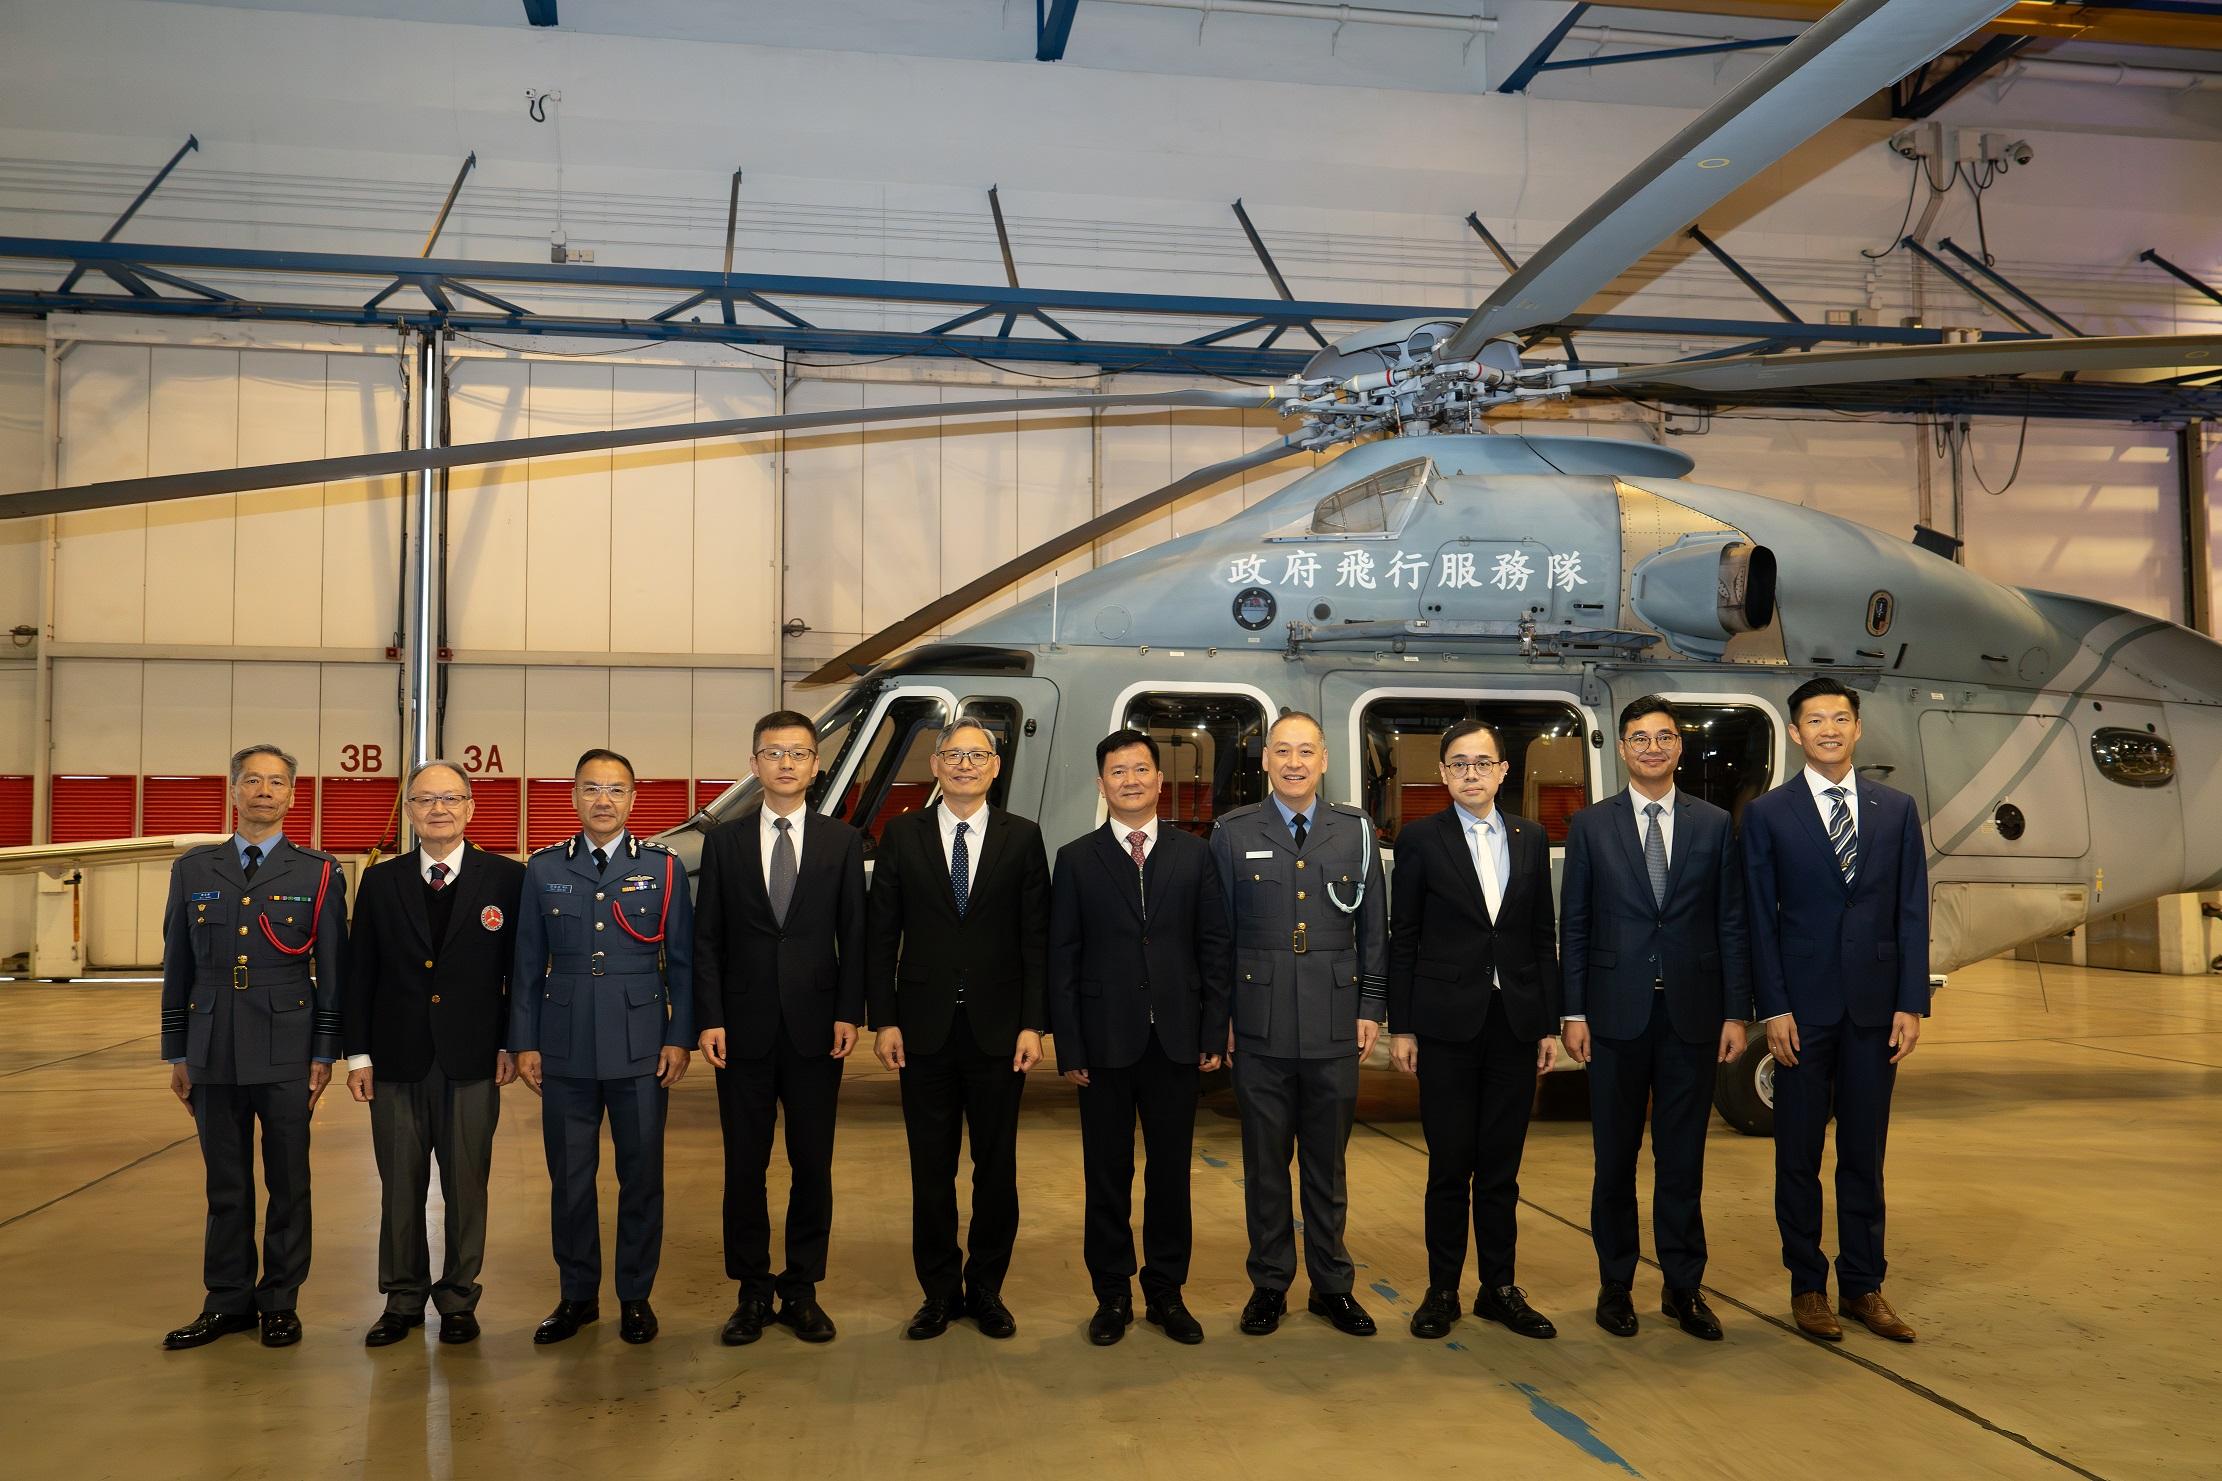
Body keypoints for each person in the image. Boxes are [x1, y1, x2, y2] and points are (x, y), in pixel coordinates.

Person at [1742, 677, 1930, 1343]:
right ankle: (1806, 1284)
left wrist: (1912, 1001)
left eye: (1840, 718)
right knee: (1797, 1152)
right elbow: (1759, 919)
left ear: (1856, 727)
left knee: (1863, 1152)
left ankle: (1863, 1285)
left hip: (1877, 1011)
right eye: (1815, 719)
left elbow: (1911, 911)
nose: (1828, 728)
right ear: (1795, 732)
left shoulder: (1896, 809)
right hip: (1803, 1011)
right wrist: (1776, 1007)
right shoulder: (1768, 814)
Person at [1559, 698, 1751, 1342]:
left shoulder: (1715, 823)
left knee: (1682, 1161)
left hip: (1692, 1016)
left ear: (1679, 747)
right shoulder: (1591, 825)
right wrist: (1574, 1009)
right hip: (1614, 1017)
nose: (1651, 747)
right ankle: (1615, 1287)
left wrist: (1734, 1011)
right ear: (1620, 747)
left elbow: (1730, 921)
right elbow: (1576, 924)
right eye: (1638, 737)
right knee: (1613, 1161)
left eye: (1663, 736)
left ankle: (1682, 1288)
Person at [867, 721, 1051, 1341]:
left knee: (996, 1169)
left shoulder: (1023, 839)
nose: (965, 765)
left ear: (995, 767)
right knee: (931, 1169)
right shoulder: (901, 835)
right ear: (936, 765)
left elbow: (1036, 940)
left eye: (977, 756)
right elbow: (880, 935)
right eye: (953, 755)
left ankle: (988, 1290)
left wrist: (1033, 1023)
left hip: (1000, 1034)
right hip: (923, 1030)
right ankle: (939, 1293)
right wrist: (884, 1017)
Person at [1047, 729, 1232, 1346]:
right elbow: (1063, 958)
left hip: (1176, 1041)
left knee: (1170, 1175)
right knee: (1106, 1173)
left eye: (1141, 769)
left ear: (1160, 781)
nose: (1130, 779)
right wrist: (1068, 1046)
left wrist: (1213, 1029)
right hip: (1102, 1044)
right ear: (1102, 785)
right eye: (1117, 771)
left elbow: (1213, 947)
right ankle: (1112, 1295)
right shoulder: (1075, 859)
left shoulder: (1194, 854)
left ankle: (1166, 1292)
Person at [159, 744, 346, 1351]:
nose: (265, 791)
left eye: (277, 782)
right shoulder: (193, 870)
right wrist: (177, 1052)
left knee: (289, 1179)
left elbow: (332, 971)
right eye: (253, 781)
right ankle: (228, 1300)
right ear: (233, 791)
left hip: (287, 1047)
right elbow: (177, 965)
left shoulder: (318, 872)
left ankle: (280, 1302)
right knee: (226, 1183)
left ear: (293, 796)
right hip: (213, 1046)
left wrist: (324, 1052)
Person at [1209, 710, 1386, 1339]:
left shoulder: (1355, 832)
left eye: (1305, 751)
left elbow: (1374, 932)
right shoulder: (1232, 833)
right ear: (1264, 760)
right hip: (1257, 1023)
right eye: (1281, 751)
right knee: (1264, 1163)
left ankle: (1333, 1287)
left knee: (1327, 1165)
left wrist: (1371, 1007)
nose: (1293, 762)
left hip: (1336, 1022)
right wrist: (1221, 1018)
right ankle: (1270, 1286)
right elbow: (1219, 937)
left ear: (1324, 760)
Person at [509, 748, 693, 1346]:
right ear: (573, 798)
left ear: (634, 799)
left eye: (615, 790)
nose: (604, 801)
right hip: (562, 1047)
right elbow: (526, 964)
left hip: (641, 1047)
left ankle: (635, 1296)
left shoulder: (665, 869)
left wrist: (678, 1036)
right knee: (570, 1177)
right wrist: (525, 1041)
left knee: (641, 1176)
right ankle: (577, 1296)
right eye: (591, 789)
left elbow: (684, 965)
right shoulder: (542, 869)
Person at [694, 710, 866, 1346]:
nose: (786, 764)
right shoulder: (725, 842)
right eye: (774, 753)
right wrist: (709, 1018)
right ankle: (750, 1290)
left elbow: (856, 934)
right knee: (744, 1166)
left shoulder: (842, 842)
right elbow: (706, 938)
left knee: (811, 1164)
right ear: (754, 763)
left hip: (819, 1030)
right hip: (741, 1032)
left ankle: (801, 1288)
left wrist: (851, 1012)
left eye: (799, 753)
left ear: (816, 765)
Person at [1386, 719, 1561, 1342]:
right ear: (1442, 773)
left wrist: (1546, 1021)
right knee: (1448, 1164)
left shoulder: (1532, 837)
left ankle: (1499, 1288)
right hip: (1445, 1026)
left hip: (1513, 1024)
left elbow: (1542, 935)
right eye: (1458, 763)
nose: (1470, 773)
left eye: (1482, 762)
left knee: (1500, 1168)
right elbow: (1401, 936)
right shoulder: (1420, 840)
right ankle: (1441, 1291)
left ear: (1504, 770)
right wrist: (1401, 1026)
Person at [341, 759, 524, 1347]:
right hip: (396, 1061)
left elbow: (518, 973)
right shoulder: (380, 882)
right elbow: (358, 974)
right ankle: (401, 1298)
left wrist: (508, 1042)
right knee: (400, 1183)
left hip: (472, 1059)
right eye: (424, 800)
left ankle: (459, 1298)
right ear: (409, 811)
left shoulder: (505, 880)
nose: (438, 809)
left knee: (468, 1182)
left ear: (471, 808)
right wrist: (358, 1055)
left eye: (450, 798)